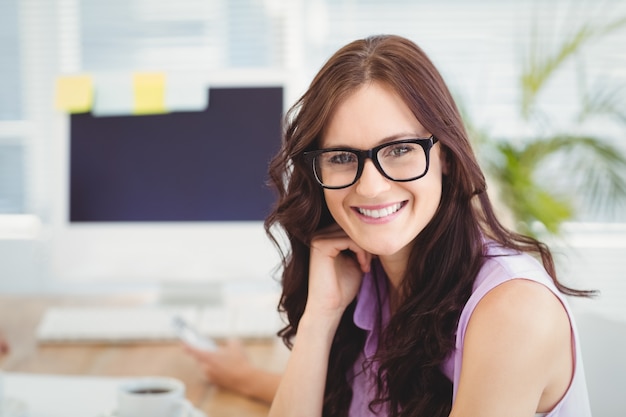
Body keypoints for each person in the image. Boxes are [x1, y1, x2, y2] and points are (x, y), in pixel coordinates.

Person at [262, 34, 593, 417]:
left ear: (447, 157)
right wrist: (321, 315)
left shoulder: (514, 309)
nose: (370, 186)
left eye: (400, 149)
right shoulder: (368, 282)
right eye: (340, 157)